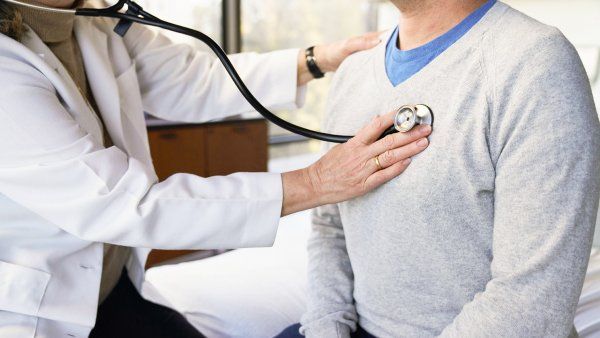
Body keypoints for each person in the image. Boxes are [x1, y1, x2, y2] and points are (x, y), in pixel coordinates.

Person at [0, 0, 434, 337]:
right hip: (38, 310)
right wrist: (315, 181)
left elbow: (194, 78)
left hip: (109, 289)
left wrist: (317, 59)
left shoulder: (90, 19)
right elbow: (125, 204)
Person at [277, 0, 600, 337]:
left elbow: (531, 302)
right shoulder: (353, 71)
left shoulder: (537, 62)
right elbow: (330, 227)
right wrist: (326, 327)